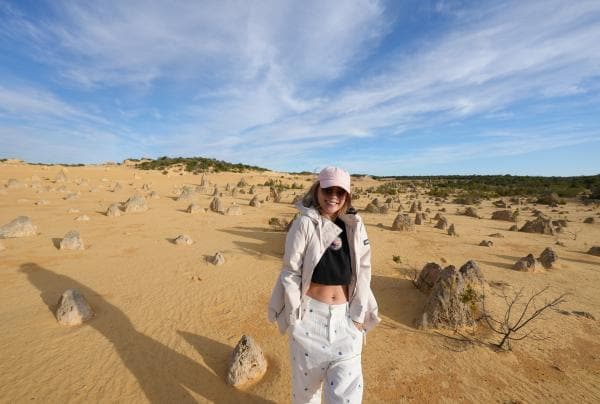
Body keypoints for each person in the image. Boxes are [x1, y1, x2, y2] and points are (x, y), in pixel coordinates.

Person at [268, 166, 380, 404]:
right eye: (328, 189)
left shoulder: (354, 225)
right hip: (309, 320)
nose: (333, 196)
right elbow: (290, 271)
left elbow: (364, 271)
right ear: (317, 189)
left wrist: (358, 317)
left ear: (347, 196)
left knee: (346, 398)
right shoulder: (304, 224)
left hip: (346, 322)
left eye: (340, 192)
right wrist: (296, 317)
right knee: (305, 396)